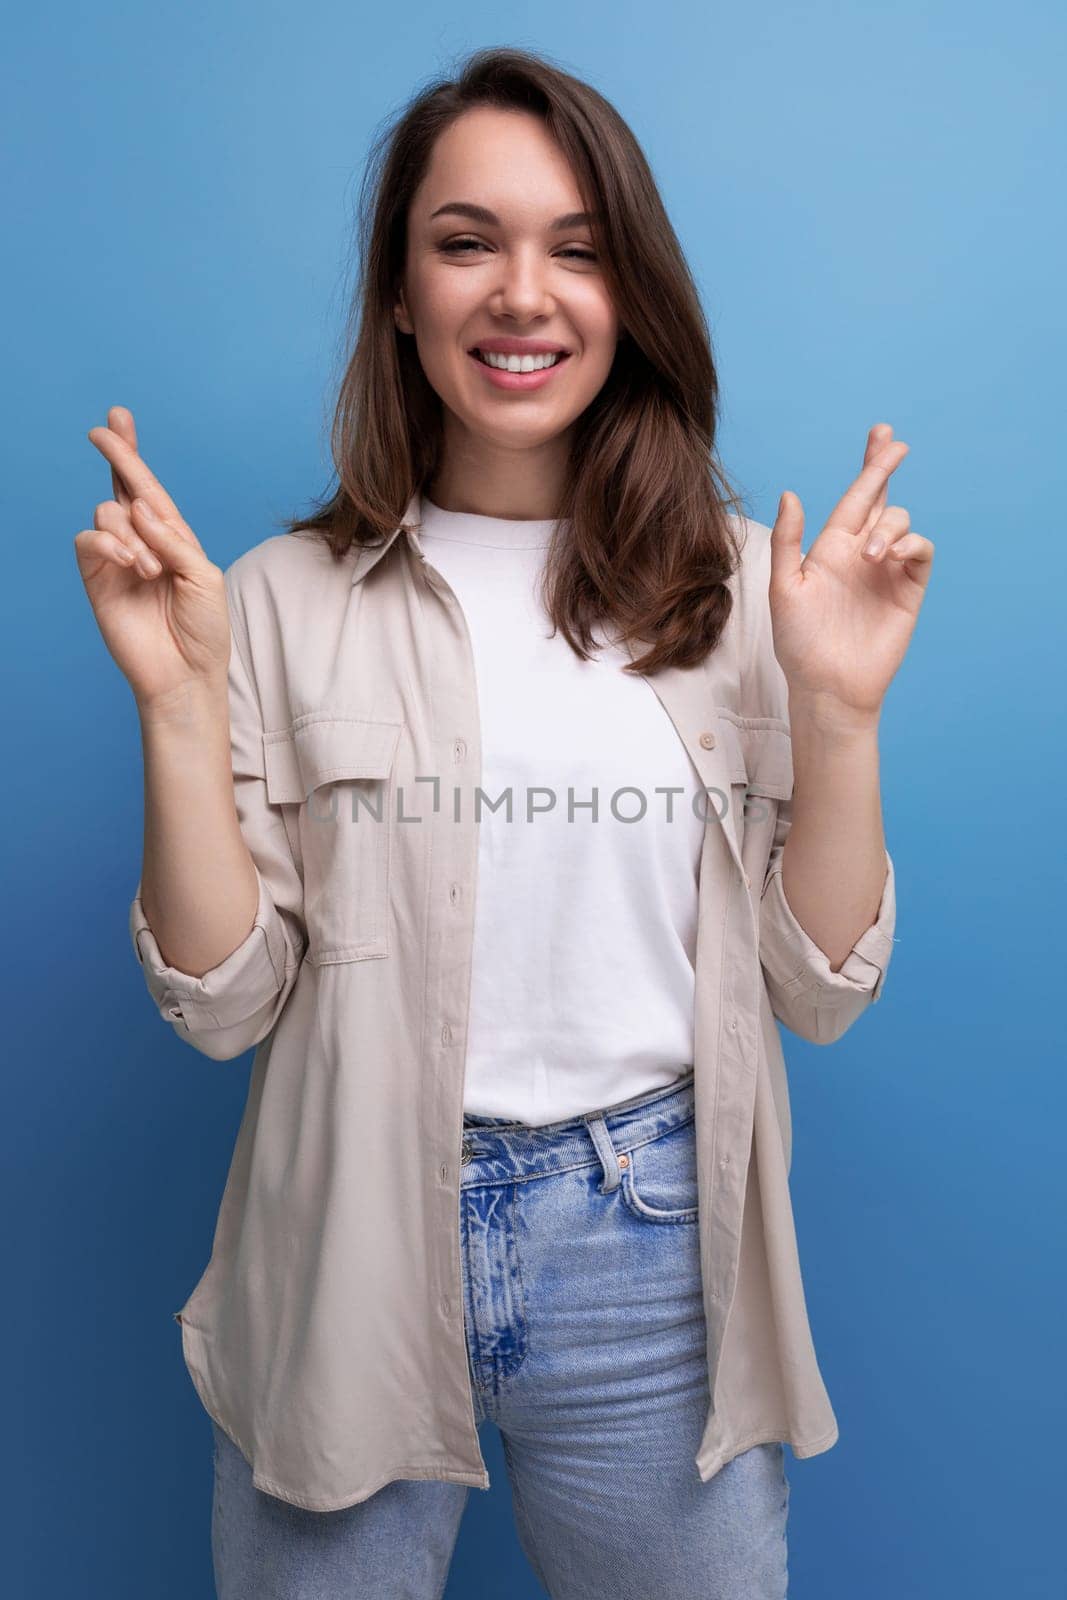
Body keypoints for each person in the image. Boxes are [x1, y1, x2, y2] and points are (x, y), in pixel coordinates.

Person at [76, 45, 933, 1600]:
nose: (522, 293)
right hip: (345, 1241)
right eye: (466, 242)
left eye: (579, 249)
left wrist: (843, 716)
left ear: (632, 296)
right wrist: (179, 701)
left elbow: (821, 990)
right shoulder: (274, 598)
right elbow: (224, 1007)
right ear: (401, 296)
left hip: (656, 1258)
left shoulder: (757, 593)